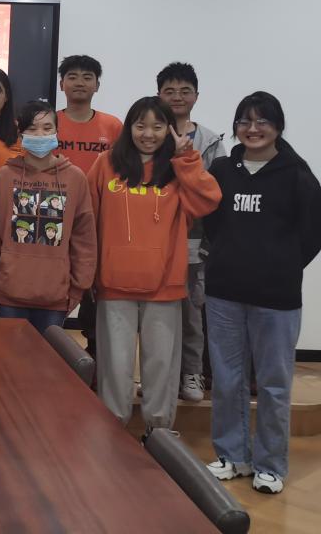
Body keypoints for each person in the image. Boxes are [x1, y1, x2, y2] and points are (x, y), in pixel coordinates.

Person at [203, 92, 321, 495]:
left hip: (276, 298)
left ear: (278, 127)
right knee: (226, 379)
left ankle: (270, 465)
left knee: (273, 384)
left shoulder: (297, 174)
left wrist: (282, 264)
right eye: (245, 121)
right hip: (224, 292)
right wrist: (227, 255)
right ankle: (232, 455)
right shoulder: (222, 169)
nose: (253, 129)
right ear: (236, 126)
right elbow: (212, 223)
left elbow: (312, 233)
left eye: (262, 121)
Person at [87, 97, 221, 431]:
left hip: (164, 285)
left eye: (158, 126)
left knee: (161, 364)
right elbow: (86, 219)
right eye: (140, 125)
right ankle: (112, 432)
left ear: (169, 130)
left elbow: (209, 200)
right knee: (115, 365)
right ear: (128, 128)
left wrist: (187, 159)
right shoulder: (106, 164)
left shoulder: (177, 169)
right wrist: (88, 271)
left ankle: (158, 434)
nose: (148, 134)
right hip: (114, 283)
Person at [0, 102, 96, 333]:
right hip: (9, 292)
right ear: (21, 134)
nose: (40, 134)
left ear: (57, 132)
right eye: (32, 129)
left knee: (47, 356)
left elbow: (84, 238)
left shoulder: (75, 178)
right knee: (7, 356)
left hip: (55, 295)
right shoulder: (5, 175)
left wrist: (78, 287)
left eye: (47, 128)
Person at [157, 62, 227, 403]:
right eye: (169, 91)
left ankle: (192, 373)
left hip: (193, 242)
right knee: (156, 315)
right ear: (158, 95)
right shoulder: (150, 133)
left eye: (185, 91)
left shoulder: (210, 141)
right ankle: (162, 377)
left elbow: (215, 194)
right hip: (154, 239)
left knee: (191, 315)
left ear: (196, 96)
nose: (177, 97)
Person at [56, 54, 123, 359]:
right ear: (62, 84)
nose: (79, 82)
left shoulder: (113, 126)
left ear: (97, 85)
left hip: (99, 224)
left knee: (96, 301)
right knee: (55, 294)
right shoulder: (49, 122)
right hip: (56, 222)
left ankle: (96, 363)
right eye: (72, 76)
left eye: (87, 77)